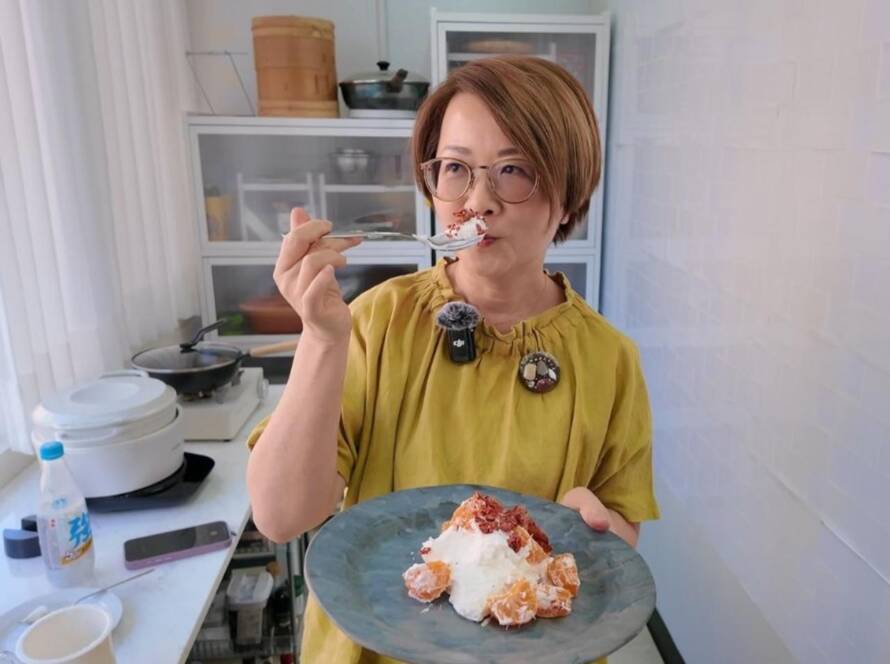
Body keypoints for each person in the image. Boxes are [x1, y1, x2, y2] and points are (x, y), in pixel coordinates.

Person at [246, 55, 659, 664]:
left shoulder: (610, 361)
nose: (478, 201)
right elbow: (282, 517)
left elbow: (622, 537)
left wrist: (595, 532)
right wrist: (321, 339)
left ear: (568, 197)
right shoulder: (377, 321)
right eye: (456, 169)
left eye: (514, 170)